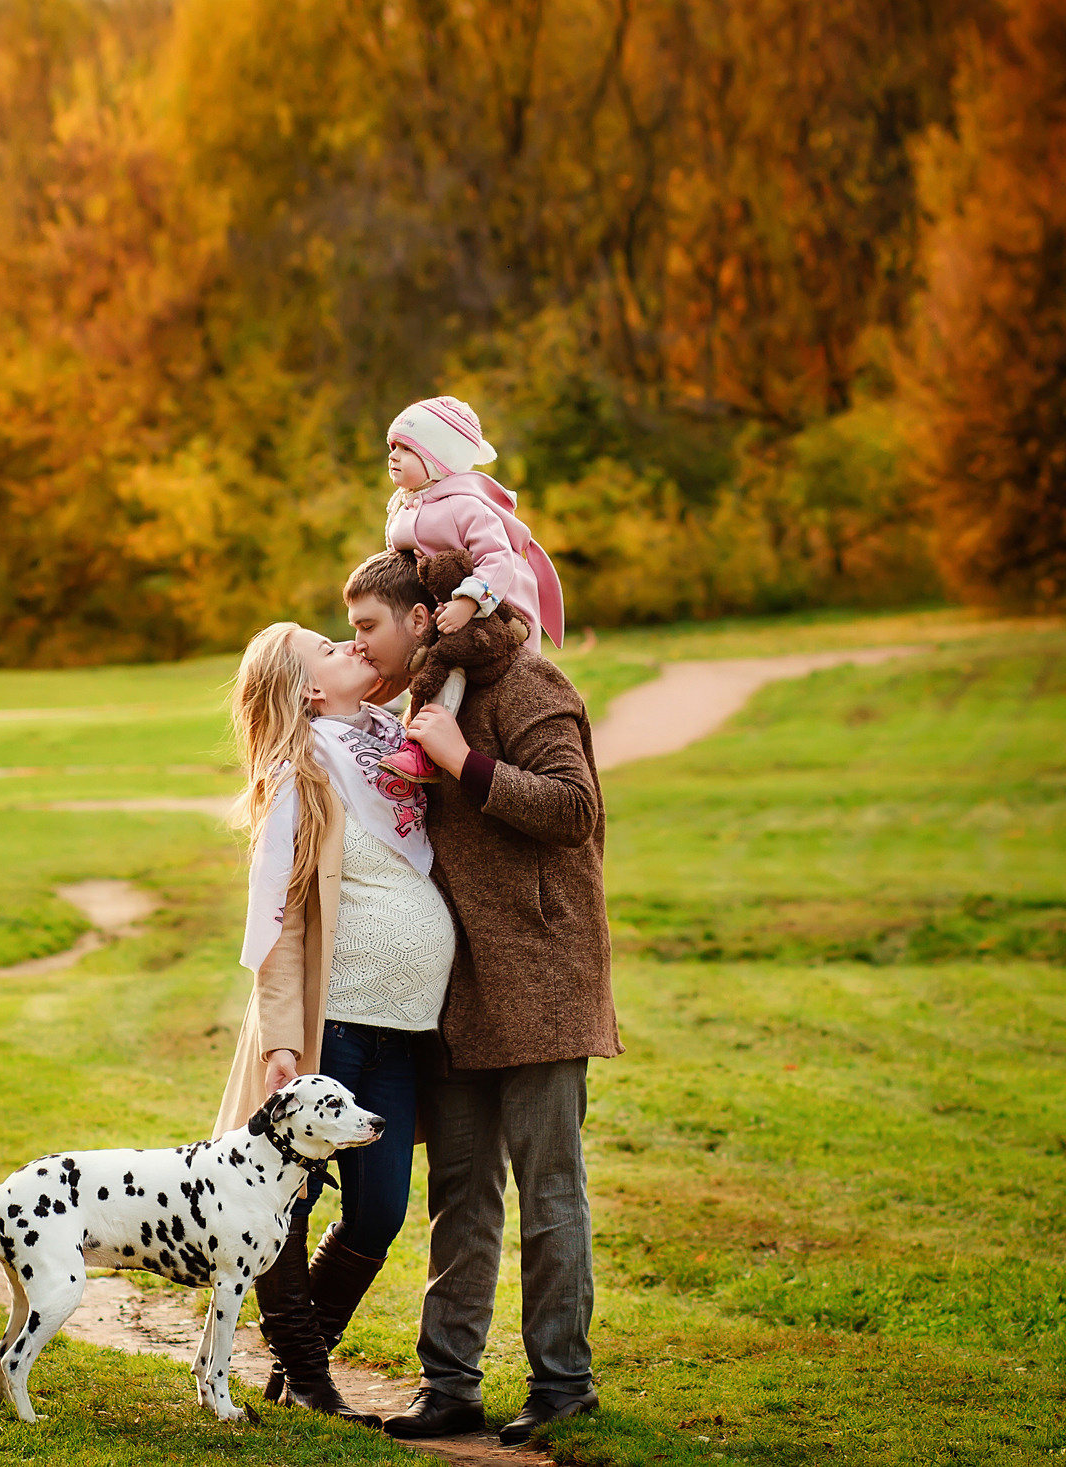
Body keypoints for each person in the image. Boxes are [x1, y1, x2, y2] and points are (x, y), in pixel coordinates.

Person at [343, 549, 622, 1446]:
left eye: (368, 625)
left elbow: (575, 809)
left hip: (542, 983)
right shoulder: (423, 702)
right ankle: (450, 1385)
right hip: (456, 992)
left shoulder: (530, 684)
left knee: (549, 1191)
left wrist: (463, 761)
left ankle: (563, 1385)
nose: (359, 644)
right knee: (460, 1195)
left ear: (426, 619)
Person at [210, 621, 457, 1428]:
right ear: (309, 690)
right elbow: (278, 919)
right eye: (328, 647)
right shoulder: (304, 773)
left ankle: (294, 1364)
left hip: (401, 1028)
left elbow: (424, 655)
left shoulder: (394, 741)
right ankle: (312, 1378)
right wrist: (284, 1037)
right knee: (289, 1197)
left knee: (380, 1209)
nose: (350, 646)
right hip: (334, 1026)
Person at [378, 396, 568, 783]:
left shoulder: (466, 506)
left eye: (407, 449)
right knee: (416, 653)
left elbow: (497, 558)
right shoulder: (406, 507)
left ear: (439, 459)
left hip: (494, 604)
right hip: (442, 603)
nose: (393, 456)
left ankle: (425, 750)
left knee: (450, 659)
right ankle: (394, 721)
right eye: (392, 446)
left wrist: (467, 602)